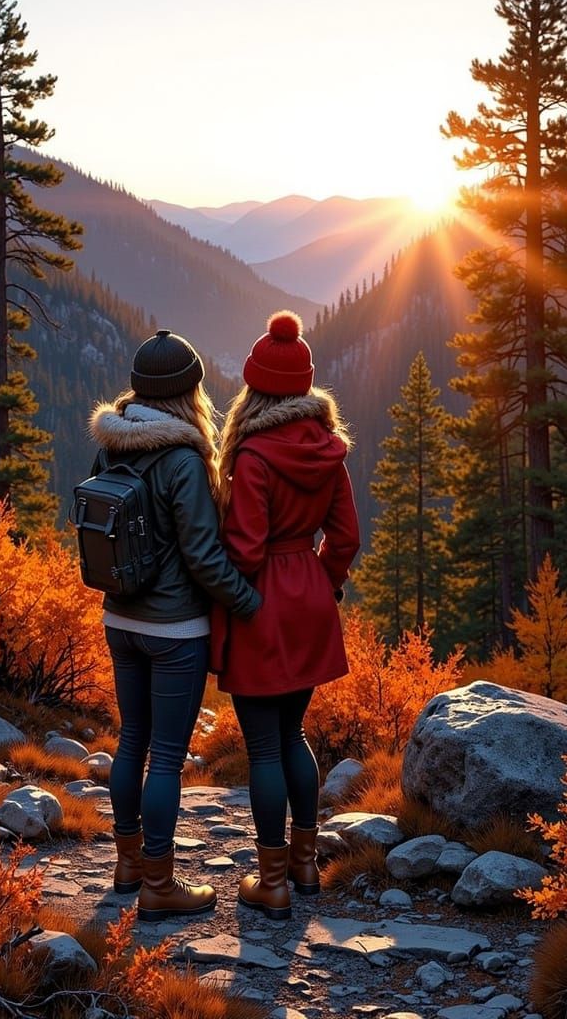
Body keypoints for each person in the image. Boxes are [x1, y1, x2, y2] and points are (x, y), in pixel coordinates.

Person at [89, 329, 261, 922]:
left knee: (130, 741)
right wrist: (248, 604)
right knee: (165, 756)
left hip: (119, 616)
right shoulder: (184, 459)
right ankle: (160, 886)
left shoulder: (112, 443)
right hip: (174, 631)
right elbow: (204, 557)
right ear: (190, 391)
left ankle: (129, 864)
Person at [212, 310, 361, 920]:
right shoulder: (330, 450)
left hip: (261, 611)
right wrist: (318, 584)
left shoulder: (252, 457)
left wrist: (230, 590)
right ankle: (304, 867)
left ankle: (270, 881)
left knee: (264, 750)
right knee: (293, 734)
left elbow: (245, 552)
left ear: (255, 388)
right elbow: (345, 537)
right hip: (309, 604)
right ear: (304, 387)